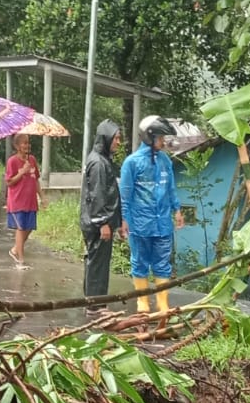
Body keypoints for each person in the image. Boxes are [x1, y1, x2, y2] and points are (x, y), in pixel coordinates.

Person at [118, 116, 184, 315]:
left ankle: (162, 304)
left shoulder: (165, 161)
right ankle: (143, 303)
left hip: (162, 224)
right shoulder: (131, 163)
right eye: (160, 137)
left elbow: (171, 188)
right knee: (139, 262)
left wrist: (177, 210)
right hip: (139, 224)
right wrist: (123, 220)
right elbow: (125, 195)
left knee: (163, 264)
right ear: (149, 137)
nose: (163, 141)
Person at [79, 119, 122, 308]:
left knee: (97, 264)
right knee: (97, 266)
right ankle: (95, 307)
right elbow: (96, 195)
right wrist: (103, 222)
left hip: (98, 222)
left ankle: (94, 304)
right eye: (116, 139)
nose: (118, 143)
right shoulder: (98, 163)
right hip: (97, 223)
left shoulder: (102, 160)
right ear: (106, 138)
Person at [5, 133, 42, 268]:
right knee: (20, 229)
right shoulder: (12, 161)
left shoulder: (32, 160)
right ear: (17, 146)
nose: (27, 145)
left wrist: (42, 197)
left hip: (31, 201)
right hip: (17, 201)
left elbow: (36, 180)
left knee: (29, 228)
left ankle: (15, 250)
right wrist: (22, 172)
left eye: (28, 142)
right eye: (24, 143)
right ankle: (20, 260)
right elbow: (9, 182)